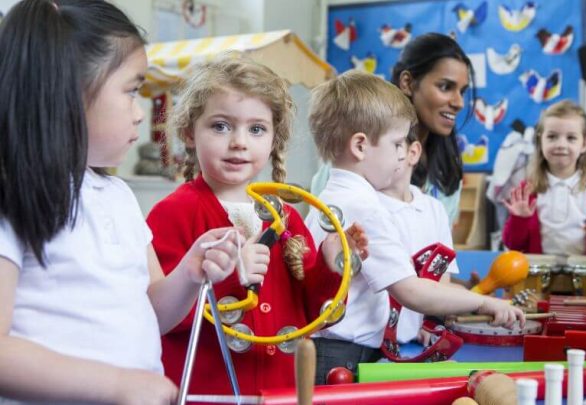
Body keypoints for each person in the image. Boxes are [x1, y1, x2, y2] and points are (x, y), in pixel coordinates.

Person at [0, 1, 242, 403]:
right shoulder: (13, 195)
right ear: (68, 93)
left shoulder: (117, 197)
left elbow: (154, 314)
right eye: (132, 91)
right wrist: (118, 384)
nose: (140, 114)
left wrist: (188, 273)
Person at [146, 53, 367, 394]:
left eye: (257, 129)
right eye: (220, 126)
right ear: (190, 133)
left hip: (280, 391)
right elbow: (159, 316)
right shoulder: (172, 213)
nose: (239, 141)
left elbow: (310, 312)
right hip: (208, 393)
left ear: (273, 138)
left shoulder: (289, 217)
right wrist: (230, 277)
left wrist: (330, 263)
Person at [305, 71, 524, 384]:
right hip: (341, 357)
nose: (401, 155)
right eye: (396, 143)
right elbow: (411, 291)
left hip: (331, 350)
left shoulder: (330, 197)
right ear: (360, 146)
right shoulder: (365, 207)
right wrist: (485, 302)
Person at [311, 32, 473, 225]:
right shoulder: (358, 151)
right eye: (445, 87)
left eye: (462, 91)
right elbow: (326, 225)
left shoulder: (446, 169)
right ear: (407, 83)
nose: (459, 102)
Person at [501, 100, 586, 256]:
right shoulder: (527, 190)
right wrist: (519, 220)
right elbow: (513, 244)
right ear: (540, 141)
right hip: (539, 279)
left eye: (571, 138)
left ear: (584, 144)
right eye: (552, 137)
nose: (561, 144)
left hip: (585, 278)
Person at [377, 131, 461, 344]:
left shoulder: (434, 209)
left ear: (413, 152)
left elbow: (442, 278)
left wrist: (430, 323)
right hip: (375, 338)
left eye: (394, 145)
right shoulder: (370, 205)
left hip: (416, 340)